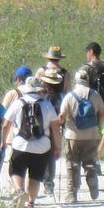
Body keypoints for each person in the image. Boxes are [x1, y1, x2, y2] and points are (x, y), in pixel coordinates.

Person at [3, 76, 61, 208]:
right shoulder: (47, 105)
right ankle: (30, 206)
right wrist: (58, 147)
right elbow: (55, 128)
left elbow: (5, 125)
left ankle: (19, 191)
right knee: (35, 176)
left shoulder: (18, 103)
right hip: (42, 147)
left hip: (20, 145)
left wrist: (3, 142)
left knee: (15, 171)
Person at [58, 64, 104, 203]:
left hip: (72, 135)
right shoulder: (95, 95)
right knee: (90, 163)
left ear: (76, 80)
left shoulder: (69, 96)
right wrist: (101, 130)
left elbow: (61, 116)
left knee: (72, 165)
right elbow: (102, 113)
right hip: (92, 135)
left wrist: (60, 123)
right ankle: (93, 183)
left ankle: (72, 194)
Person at [34, 48, 70, 198]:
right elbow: (68, 92)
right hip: (57, 111)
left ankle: (37, 178)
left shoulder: (41, 71)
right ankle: (49, 183)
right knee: (53, 147)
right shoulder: (65, 73)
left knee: (38, 146)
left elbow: (34, 89)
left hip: (41, 114)